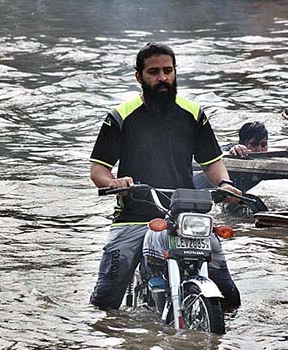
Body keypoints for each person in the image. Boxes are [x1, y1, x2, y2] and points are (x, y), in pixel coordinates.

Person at [89, 42, 244, 311]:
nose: (162, 78)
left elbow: (212, 163)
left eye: (167, 70)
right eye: (153, 72)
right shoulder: (120, 117)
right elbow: (98, 171)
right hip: (134, 216)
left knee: (229, 295)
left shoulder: (194, 114)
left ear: (175, 72)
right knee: (105, 300)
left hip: (184, 216)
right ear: (139, 77)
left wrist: (225, 184)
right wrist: (113, 182)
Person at [193, 121, 269, 191]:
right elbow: (214, 154)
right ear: (241, 143)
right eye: (254, 144)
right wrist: (233, 150)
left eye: (263, 145)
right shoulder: (233, 150)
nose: (259, 149)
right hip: (194, 187)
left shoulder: (267, 163)